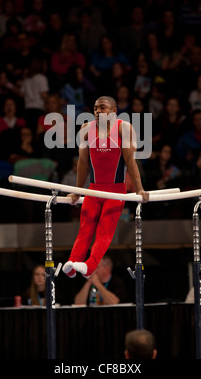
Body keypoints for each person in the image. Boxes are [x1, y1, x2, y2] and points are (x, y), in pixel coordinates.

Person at [62, 96, 149, 279]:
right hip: (93, 190)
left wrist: (139, 189)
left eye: (102, 108)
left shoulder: (123, 128)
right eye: (95, 108)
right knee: (85, 228)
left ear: (114, 111)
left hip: (116, 191)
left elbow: (130, 162)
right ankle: (72, 264)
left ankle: (90, 265)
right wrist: (78, 191)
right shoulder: (86, 129)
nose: (97, 111)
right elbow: (83, 163)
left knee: (104, 231)